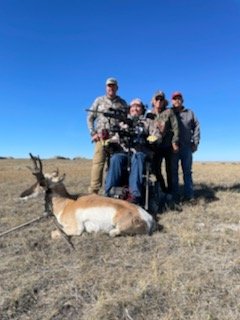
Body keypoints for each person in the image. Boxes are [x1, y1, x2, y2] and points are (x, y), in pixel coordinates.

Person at [105, 98, 153, 205]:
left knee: (138, 156)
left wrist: (151, 138)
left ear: (142, 109)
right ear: (129, 109)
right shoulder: (122, 122)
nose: (135, 108)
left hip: (139, 152)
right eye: (133, 106)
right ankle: (109, 193)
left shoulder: (148, 121)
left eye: (138, 106)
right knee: (116, 158)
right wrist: (110, 139)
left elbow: (156, 135)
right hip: (125, 153)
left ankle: (134, 195)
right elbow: (115, 137)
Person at [87, 77, 128, 194]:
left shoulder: (123, 103)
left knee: (114, 164)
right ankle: (94, 192)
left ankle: (110, 190)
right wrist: (93, 133)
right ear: (106, 87)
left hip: (117, 139)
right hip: (101, 137)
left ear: (117, 88)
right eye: (109, 86)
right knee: (98, 163)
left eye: (113, 85)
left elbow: (126, 120)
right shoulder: (99, 100)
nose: (111, 88)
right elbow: (90, 117)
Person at [171, 91, 200, 203]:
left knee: (187, 172)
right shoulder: (169, 112)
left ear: (182, 100)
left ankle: (189, 195)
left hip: (187, 147)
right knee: (173, 172)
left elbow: (196, 127)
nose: (177, 100)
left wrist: (195, 142)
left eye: (179, 98)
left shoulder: (190, 113)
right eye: (174, 98)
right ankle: (175, 196)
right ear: (172, 101)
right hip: (173, 148)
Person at [148, 90, 179, 193]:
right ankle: (162, 189)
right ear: (153, 101)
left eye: (161, 99)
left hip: (168, 145)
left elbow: (176, 128)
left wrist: (175, 142)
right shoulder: (149, 114)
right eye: (157, 99)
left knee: (170, 170)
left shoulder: (169, 112)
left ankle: (171, 192)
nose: (159, 101)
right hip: (155, 147)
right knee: (156, 169)